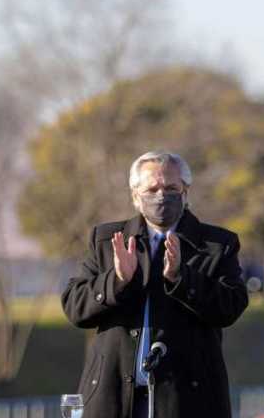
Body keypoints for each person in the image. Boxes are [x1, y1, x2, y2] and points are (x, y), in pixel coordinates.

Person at [62, 151, 249, 418]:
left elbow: (231, 307)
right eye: (152, 188)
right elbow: (75, 308)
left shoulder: (217, 245)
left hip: (189, 401)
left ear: (185, 192)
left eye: (171, 188)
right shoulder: (106, 241)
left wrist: (180, 278)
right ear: (136, 196)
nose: (161, 195)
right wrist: (117, 281)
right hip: (114, 398)